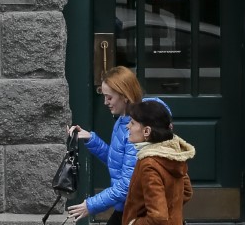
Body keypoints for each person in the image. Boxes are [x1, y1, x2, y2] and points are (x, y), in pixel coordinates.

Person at [67, 67, 171, 225]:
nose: (105, 102)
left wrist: (90, 205)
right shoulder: (123, 122)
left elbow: (127, 185)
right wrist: (91, 140)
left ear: (125, 96)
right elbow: (118, 161)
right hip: (128, 205)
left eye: (109, 98)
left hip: (139, 209)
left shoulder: (137, 130)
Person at [122, 100, 194, 225]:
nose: (128, 126)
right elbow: (186, 192)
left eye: (132, 123)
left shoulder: (149, 164)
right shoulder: (172, 156)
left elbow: (158, 217)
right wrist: (172, 213)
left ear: (147, 131)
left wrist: (133, 223)